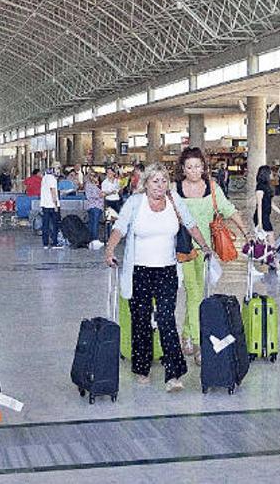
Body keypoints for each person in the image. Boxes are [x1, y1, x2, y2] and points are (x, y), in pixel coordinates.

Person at [105, 163, 213, 392]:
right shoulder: (136, 203)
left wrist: (204, 245)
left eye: (164, 181)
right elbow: (120, 228)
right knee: (141, 319)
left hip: (167, 270)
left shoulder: (174, 201)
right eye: (155, 181)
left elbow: (191, 224)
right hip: (140, 270)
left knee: (166, 319)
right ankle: (142, 368)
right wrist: (109, 250)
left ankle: (174, 374)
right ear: (146, 184)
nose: (160, 186)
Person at [176, 148, 251, 364]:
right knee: (194, 292)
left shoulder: (212, 188)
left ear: (203, 167)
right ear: (183, 169)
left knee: (198, 294)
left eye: (197, 166)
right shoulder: (176, 189)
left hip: (206, 250)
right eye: (189, 167)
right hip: (183, 249)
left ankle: (187, 335)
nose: (193, 171)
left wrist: (246, 232)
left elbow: (229, 210)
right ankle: (201, 344)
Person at [253, 165, 280, 277]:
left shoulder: (266, 187)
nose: (272, 174)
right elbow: (259, 206)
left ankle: (274, 266)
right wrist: (260, 224)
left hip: (265, 216)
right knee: (270, 244)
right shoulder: (260, 188)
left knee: (263, 244)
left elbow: (270, 204)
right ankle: (278, 267)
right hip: (261, 218)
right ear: (265, 174)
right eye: (270, 173)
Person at [41, 164, 63, 249]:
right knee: (55, 224)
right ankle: (54, 242)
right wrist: (55, 204)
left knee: (45, 224)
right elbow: (53, 191)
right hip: (52, 205)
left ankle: (45, 243)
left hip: (44, 204)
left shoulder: (44, 177)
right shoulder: (52, 179)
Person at [85, 171, 104, 242]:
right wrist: (100, 195)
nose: (94, 178)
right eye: (92, 176)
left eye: (95, 176)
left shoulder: (97, 185)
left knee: (92, 223)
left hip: (95, 206)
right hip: (94, 206)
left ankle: (91, 239)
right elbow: (90, 196)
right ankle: (94, 239)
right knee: (94, 223)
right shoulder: (89, 185)